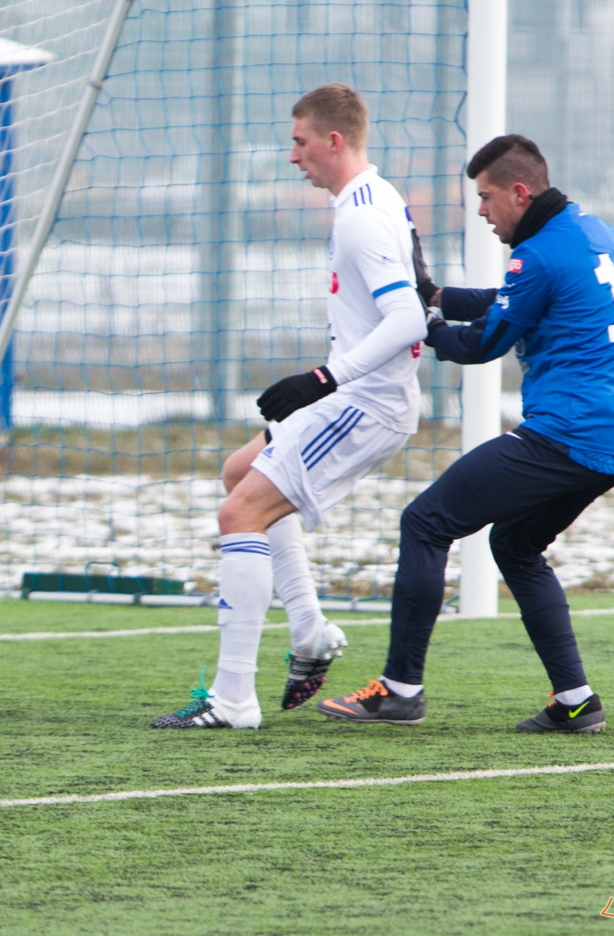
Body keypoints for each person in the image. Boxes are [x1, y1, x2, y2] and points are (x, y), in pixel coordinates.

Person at [318, 134, 614, 732]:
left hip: (564, 435)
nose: (482, 211)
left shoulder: (538, 254)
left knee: (425, 522)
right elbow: (511, 302)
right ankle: (576, 702)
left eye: (488, 197)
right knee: (514, 546)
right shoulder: (595, 235)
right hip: (613, 438)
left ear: (520, 192)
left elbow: (484, 343)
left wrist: (420, 323)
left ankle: (398, 691)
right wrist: (439, 296)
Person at [152, 83, 433, 728]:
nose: (292, 156)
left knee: (238, 512)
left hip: (366, 405)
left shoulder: (363, 214)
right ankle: (307, 631)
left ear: (334, 141)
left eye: (299, 142)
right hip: (361, 395)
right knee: (236, 474)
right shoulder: (377, 195)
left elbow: (407, 317)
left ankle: (233, 701)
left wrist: (322, 378)